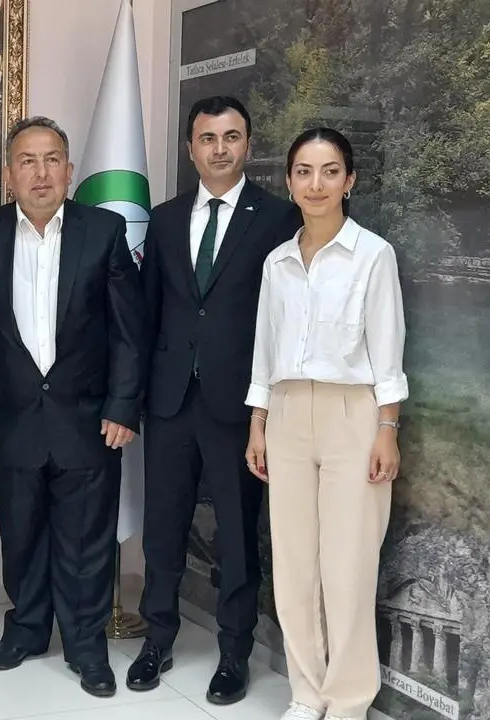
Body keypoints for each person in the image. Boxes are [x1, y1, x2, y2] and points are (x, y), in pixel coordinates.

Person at [0, 116, 145, 698]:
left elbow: (128, 330)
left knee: (86, 541)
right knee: (20, 533)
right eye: (28, 161)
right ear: (9, 173)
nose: (41, 173)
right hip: (7, 416)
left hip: (87, 418)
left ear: (69, 169)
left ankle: (86, 645)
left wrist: (122, 406)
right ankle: (27, 630)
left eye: (52, 159)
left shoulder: (103, 230)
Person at [132, 95, 302, 704]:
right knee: (163, 528)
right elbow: (151, 311)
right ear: (191, 148)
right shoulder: (165, 218)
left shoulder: (279, 218)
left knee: (235, 532)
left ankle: (234, 652)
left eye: (231, 137)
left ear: (247, 144)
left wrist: (265, 406)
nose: (220, 148)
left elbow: (285, 317)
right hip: (170, 399)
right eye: (208, 138)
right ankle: (157, 638)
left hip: (239, 403)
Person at [246, 128, 406, 720]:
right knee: (293, 565)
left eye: (330, 171)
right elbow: (265, 349)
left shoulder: (373, 255)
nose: (317, 184)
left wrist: (387, 427)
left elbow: (388, 350)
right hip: (287, 412)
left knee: (348, 566)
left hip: (352, 415)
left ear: (350, 180)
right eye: (304, 172)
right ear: (289, 182)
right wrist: (259, 421)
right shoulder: (277, 262)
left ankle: (347, 700)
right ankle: (306, 691)